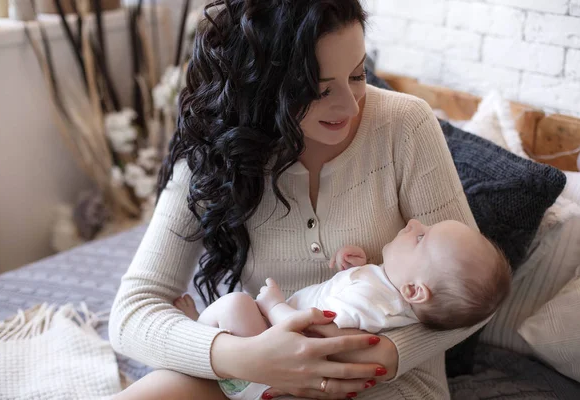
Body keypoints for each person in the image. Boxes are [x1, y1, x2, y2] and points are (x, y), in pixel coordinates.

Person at [109, 0, 492, 399]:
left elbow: (475, 295)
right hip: (257, 372)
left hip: (379, 384)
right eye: (319, 89)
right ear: (258, 82)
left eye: (357, 74)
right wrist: (244, 356)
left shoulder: (405, 125)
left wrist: (378, 356)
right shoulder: (215, 146)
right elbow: (132, 313)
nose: (349, 104)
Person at [168, 219, 511, 400]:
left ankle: (198, 336)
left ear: (415, 291)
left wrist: (275, 306)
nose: (415, 224)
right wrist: (352, 269)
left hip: (269, 368)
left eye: (421, 238)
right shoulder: (386, 294)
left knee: (237, 304)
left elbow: (315, 337)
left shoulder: (371, 300)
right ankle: (204, 343)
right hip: (271, 363)